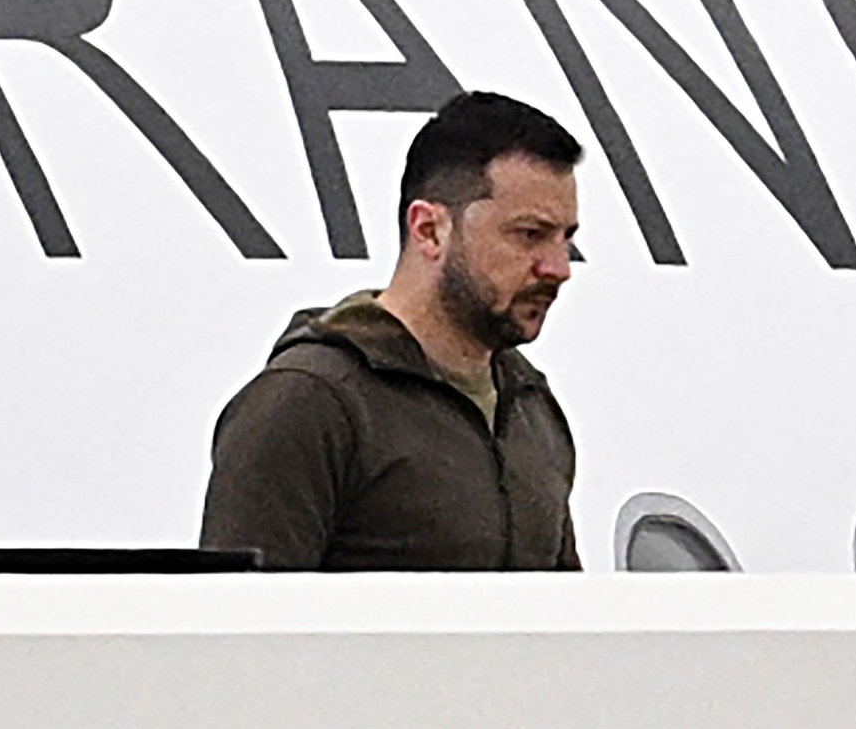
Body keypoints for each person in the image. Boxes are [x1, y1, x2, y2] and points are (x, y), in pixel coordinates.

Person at [201, 91, 583, 570]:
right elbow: (237, 615)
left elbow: (566, 613)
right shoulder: (309, 404)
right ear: (429, 230)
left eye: (566, 239)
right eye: (530, 235)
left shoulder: (530, 407)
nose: (558, 268)